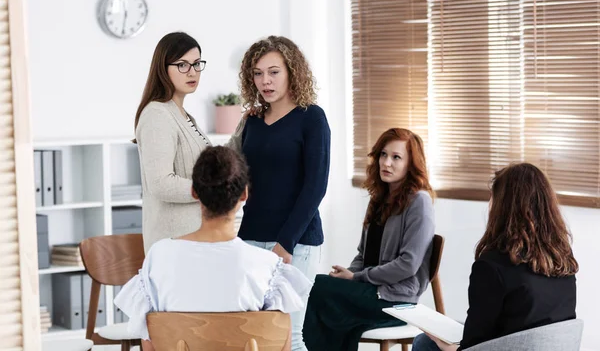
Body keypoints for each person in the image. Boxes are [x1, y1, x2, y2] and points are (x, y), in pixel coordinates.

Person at [115, 146, 312, 351]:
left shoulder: (158, 257)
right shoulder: (268, 267)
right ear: (244, 194)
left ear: (193, 192)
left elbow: (150, 345)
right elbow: (281, 345)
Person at [227, 35, 330, 351]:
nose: (265, 81)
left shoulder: (312, 117)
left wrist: (286, 243)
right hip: (250, 240)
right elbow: (237, 175)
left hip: (296, 244)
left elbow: (316, 187)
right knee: (253, 336)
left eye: (274, 72)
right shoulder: (252, 121)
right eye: (258, 73)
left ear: (292, 72)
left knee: (289, 336)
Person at [412, 162, 578, 351]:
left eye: (493, 197)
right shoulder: (562, 258)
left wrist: (447, 346)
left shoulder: (492, 265)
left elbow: (474, 344)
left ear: (503, 207)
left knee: (424, 343)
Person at [302, 128, 435, 351]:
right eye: (383, 154)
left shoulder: (419, 201)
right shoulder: (379, 199)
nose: (387, 163)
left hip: (396, 300)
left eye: (396, 157)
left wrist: (356, 277)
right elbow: (363, 255)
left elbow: (408, 264)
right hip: (371, 291)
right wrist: (348, 276)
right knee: (318, 286)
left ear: (411, 164)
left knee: (316, 287)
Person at [134, 32, 211, 252]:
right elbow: (161, 183)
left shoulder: (182, 115)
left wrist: (244, 126)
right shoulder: (157, 114)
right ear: (163, 68)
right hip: (174, 245)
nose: (192, 72)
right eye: (182, 65)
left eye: (197, 64)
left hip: (193, 241)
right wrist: (211, 191)